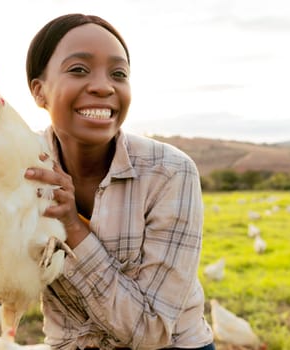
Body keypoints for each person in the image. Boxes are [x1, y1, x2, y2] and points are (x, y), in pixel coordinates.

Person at [23, 13, 215, 349]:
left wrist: (73, 227)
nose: (103, 85)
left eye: (119, 74)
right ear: (40, 92)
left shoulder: (169, 172)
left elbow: (152, 331)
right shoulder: (21, 170)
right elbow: (6, 287)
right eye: (79, 69)